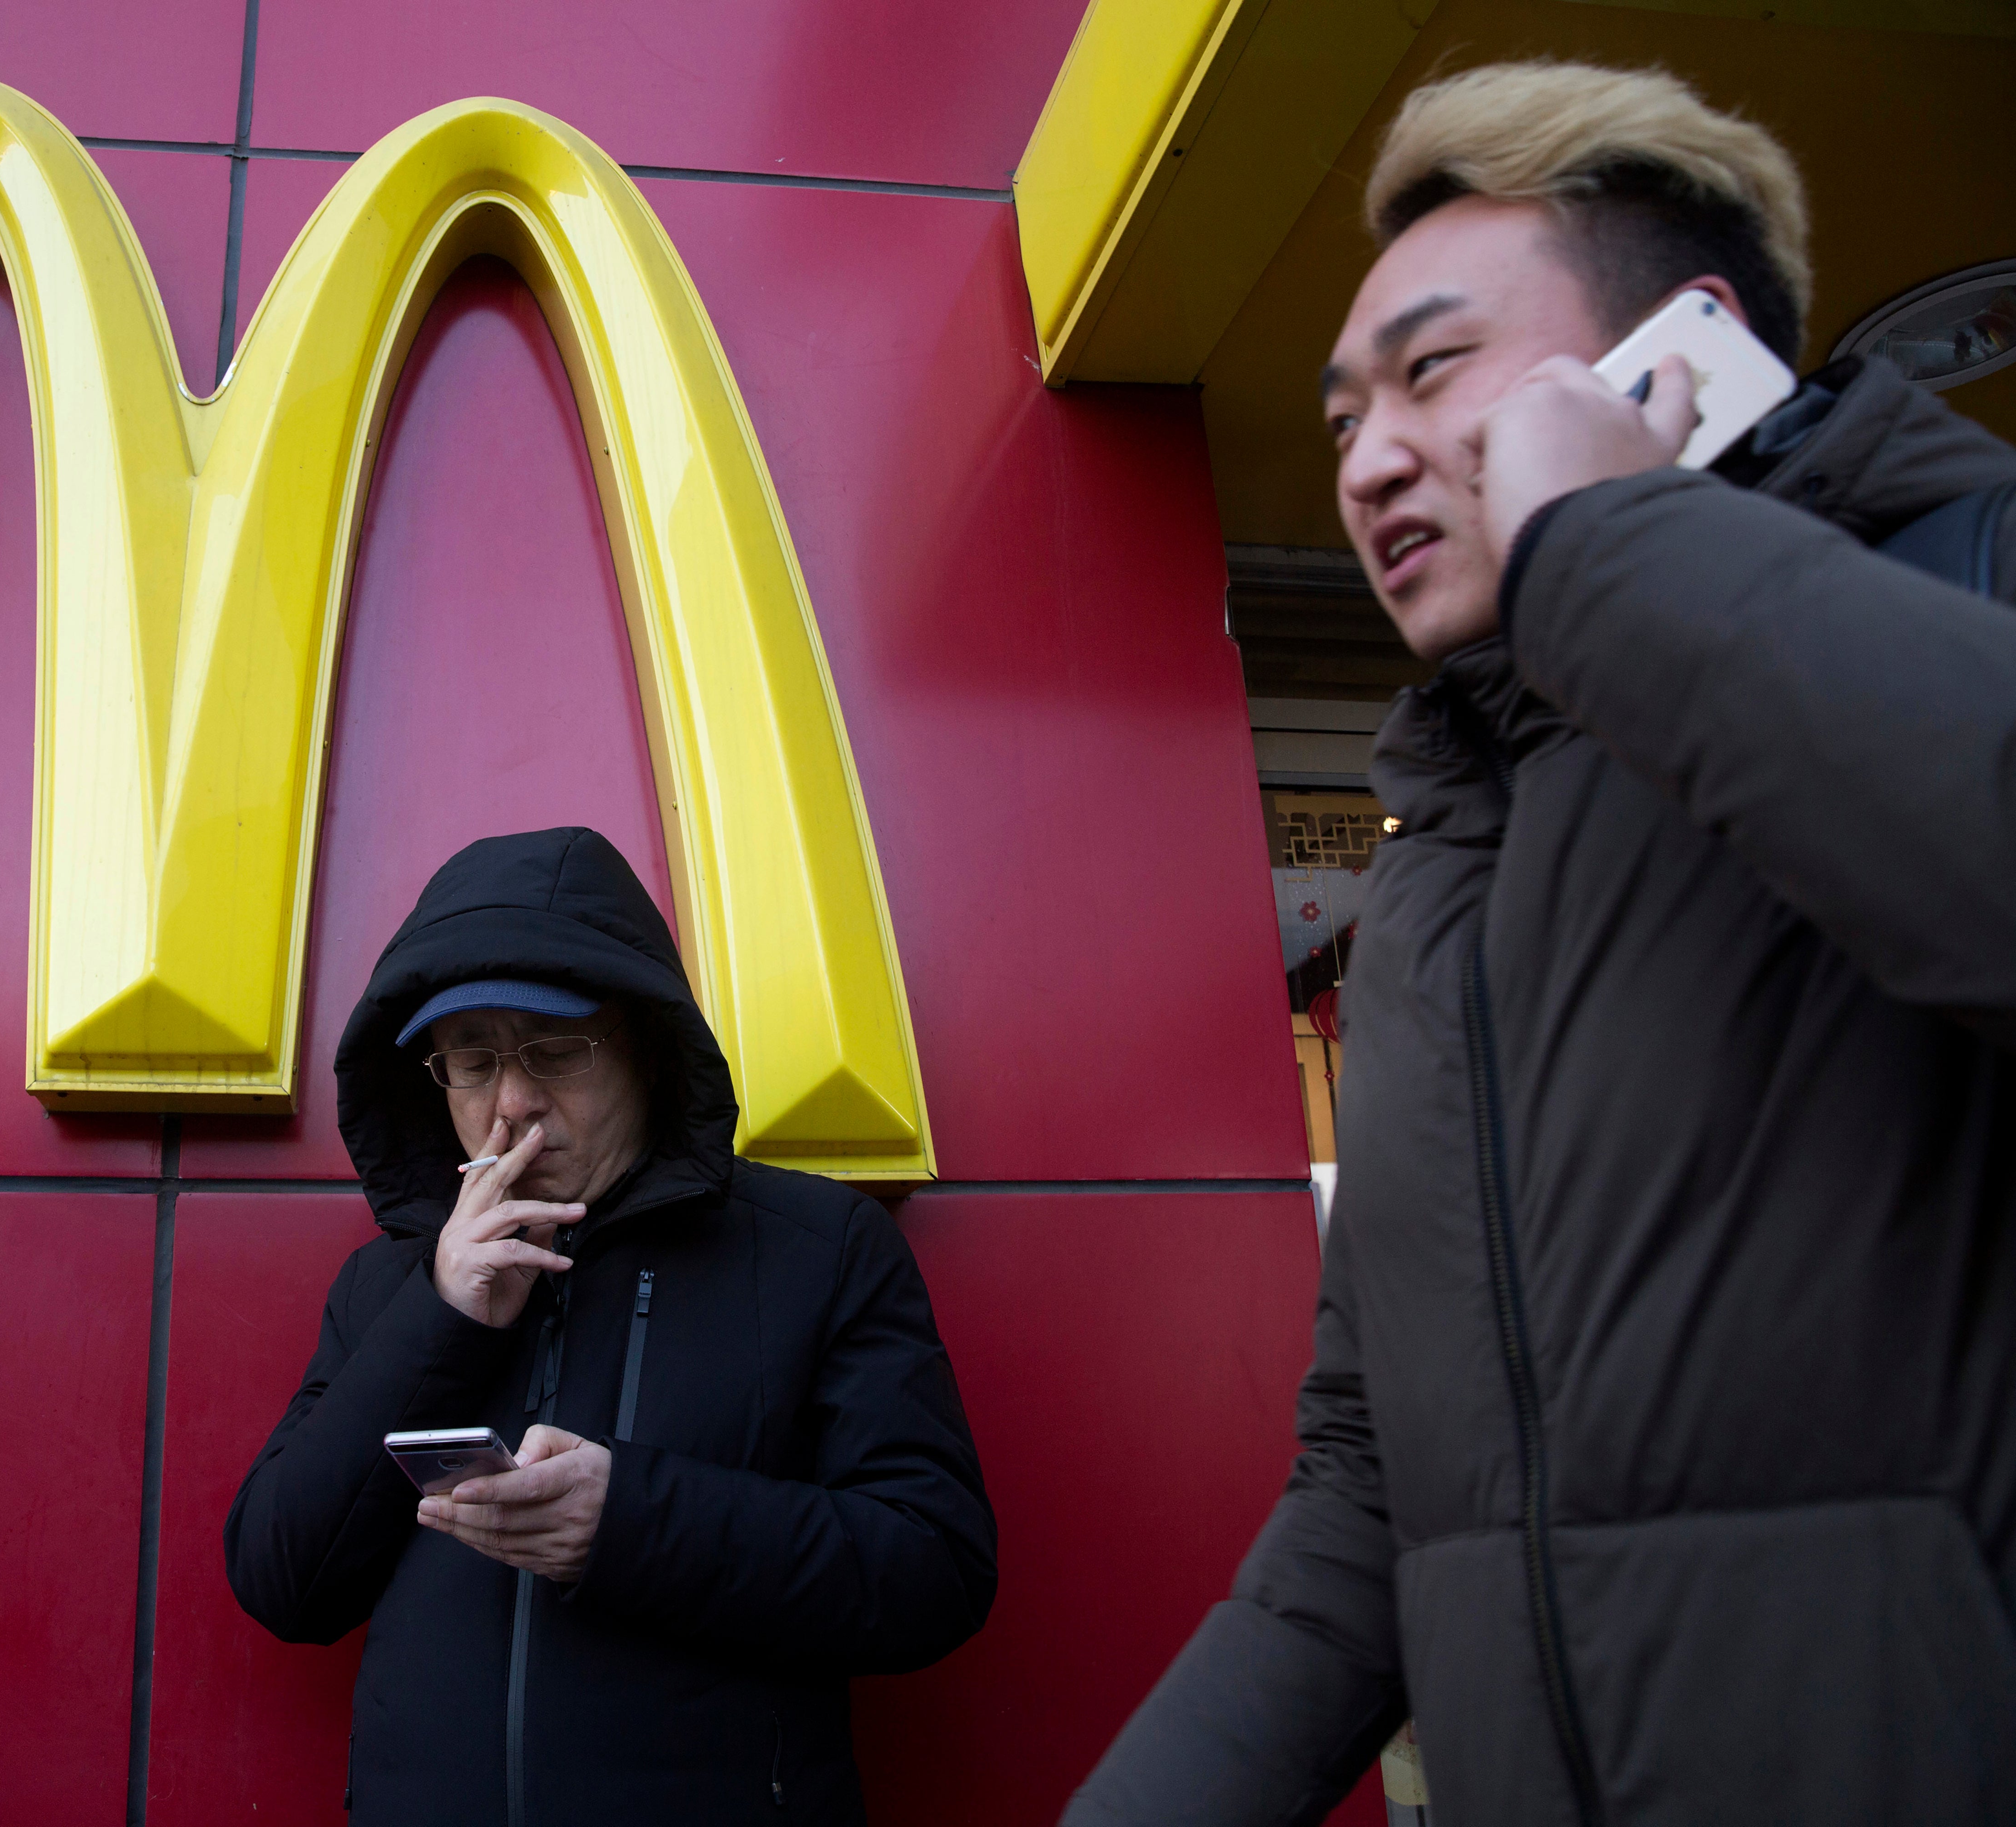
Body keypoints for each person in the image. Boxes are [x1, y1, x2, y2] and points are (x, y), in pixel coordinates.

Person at [1065, 61, 2016, 1825]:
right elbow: (1374, 1489)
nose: (1369, 460)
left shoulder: (1973, 570)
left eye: (1433, 373)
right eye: (1344, 413)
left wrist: (1609, 545)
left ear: (1692, 353)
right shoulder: (1442, 876)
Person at [227, 825, 995, 1826]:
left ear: (643, 1047)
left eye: (555, 1052)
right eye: (471, 1062)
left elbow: (933, 1568)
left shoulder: (820, 1249)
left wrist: (631, 1521)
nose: (512, 1102)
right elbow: (283, 1579)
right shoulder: (388, 1285)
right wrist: (444, 1316)